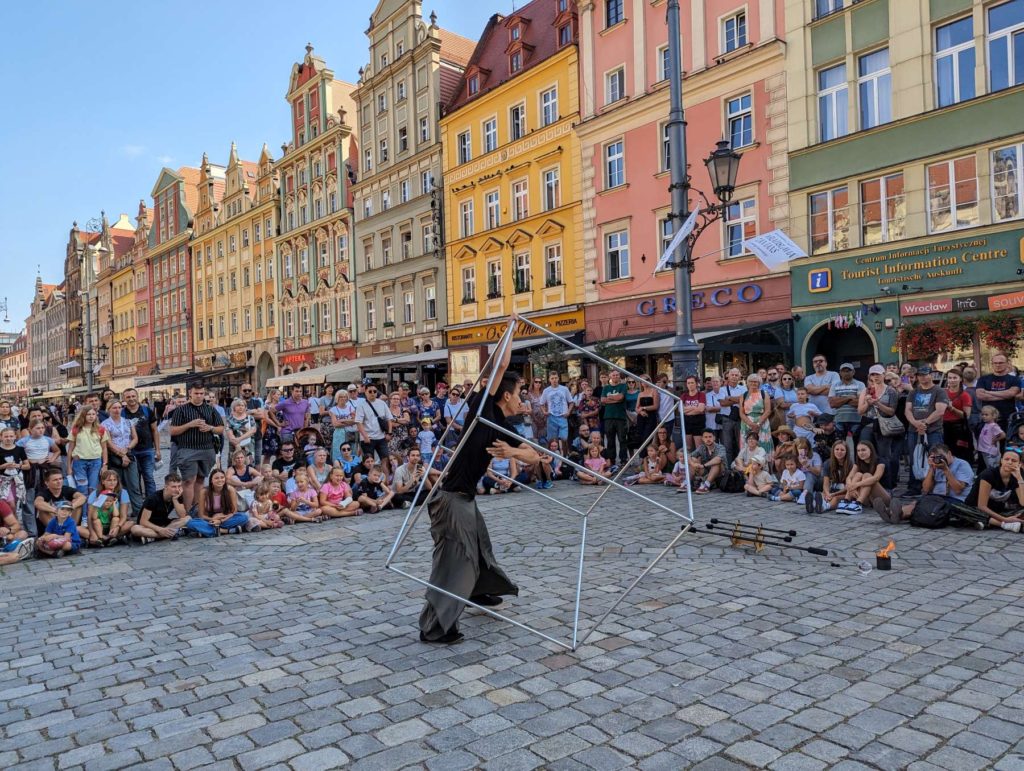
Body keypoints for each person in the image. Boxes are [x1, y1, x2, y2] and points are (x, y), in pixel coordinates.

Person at [418, 323, 540, 645]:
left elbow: (536, 458)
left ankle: (480, 590)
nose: (521, 398)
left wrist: (510, 450)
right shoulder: (482, 408)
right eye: (519, 393)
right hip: (450, 499)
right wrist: (512, 324)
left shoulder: (501, 424)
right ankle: (434, 628)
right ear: (506, 394)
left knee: (481, 548)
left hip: (466, 499)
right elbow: (500, 364)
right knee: (455, 562)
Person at [879, 443, 974, 524]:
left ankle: (894, 514)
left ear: (949, 453)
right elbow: (926, 489)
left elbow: (958, 490)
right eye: (935, 457)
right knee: (917, 502)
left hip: (956, 501)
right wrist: (931, 469)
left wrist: (946, 470)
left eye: (940, 456)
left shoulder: (962, 465)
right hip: (937, 498)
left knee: (921, 505)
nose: (938, 459)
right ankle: (893, 514)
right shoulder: (935, 466)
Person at [170, 383, 224, 513]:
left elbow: (221, 429)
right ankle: (187, 512)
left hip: (207, 449)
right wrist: (190, 424)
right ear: (190, 393)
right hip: (187, 449)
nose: (199, 396)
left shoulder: (210, 409)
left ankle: (197, 510)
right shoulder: (181, 410)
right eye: (196, 393)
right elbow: (172, 431)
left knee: (200, 480)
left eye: (201, 393)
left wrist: (210, 428)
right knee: (189, 480)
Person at [904, 366, 949, 495]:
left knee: (935, 457)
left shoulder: (939, 391)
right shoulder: (913, 392)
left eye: (925, 374)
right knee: (914, 458)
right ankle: (914, 487)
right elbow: (907, 410)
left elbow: (940, 410)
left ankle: (934, 486)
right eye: (920, 375)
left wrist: (925, 422)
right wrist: (915, 423)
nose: (923, 377)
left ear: (931, 375)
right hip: (914, 430)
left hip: (934, 430)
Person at [858, 364, 901, 488]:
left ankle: (888, 485)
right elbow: (860, 411)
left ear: (883, 375)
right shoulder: (866, 390)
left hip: (884, 425)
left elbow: (891, 411)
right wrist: (867, 402)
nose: (875, 377)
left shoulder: (891, 391)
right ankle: (866, 482)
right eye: (873, 374)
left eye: (877, 374)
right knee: (864, 452)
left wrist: (877, 403)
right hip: (868, 423)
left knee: (884, 455)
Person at [963, 450, 1024, 530]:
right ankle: (1003, 524)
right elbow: (982, 506)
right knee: (960, 510)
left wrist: (1019, 478)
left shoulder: (1018, 475)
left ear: (1019, 464)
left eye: (1014, 461)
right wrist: (1005, 520)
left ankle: (985, 522)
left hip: (998, 510)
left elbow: (1022, 503)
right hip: (977, 508)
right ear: (1001, 460)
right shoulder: (989, 474)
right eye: (1006, 459)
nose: (1009, 462)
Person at [101, 399, 142, 511]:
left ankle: (138, 511)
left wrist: (127, 450)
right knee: (116, 486)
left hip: (128, 454)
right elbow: (108, 443)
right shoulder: (105, 424)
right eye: (114, 408)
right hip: (114, 457)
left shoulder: (128, 422)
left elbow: (135, 438)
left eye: (119, 407)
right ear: (108, 409)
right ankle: (116, 512)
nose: (117, 410)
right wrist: (121, 454)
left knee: (134, 485)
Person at [122, 388, 160, 504]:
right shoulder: (122, 413)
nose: (131, 399)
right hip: (130, 451)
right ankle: (138, 506)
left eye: (133, 396)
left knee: (148, 477)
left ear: (137, 396)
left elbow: (155, 430)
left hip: (147, 449)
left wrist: (157, 450)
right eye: (128, 397)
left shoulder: (146, 410)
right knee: (134, 480)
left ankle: (152, 504)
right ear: (124, 399)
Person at [131, 473, 191, 543]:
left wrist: (175, 500)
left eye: (179, 486)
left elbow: (182, 515)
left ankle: (154, 537)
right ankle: (169, 533)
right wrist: (160, 530)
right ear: (165, 487)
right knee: (135, 529)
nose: (177, 489)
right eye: (174, 487)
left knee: (188, 518)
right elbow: (143, 522)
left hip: (164, 524)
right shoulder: (153, 498)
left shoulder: (177, 495)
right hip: (149, 526)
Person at [835, 441, 888, 514]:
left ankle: (858, 504)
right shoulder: (858, 463)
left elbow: (876, 478)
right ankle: (846, 500)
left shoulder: (880, 461)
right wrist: (851, 487)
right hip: (867, 498)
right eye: (858, 450)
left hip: (883, 498)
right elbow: (849, 477)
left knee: (867, 475)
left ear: (871, 450)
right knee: (858, 474)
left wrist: (857, 485)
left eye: (863, 450)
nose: (861, 453)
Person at [85, 469, 133, 546]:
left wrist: (117, 527)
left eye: (114, 480)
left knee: (130, 523)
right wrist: (92, 533)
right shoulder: (95, 494)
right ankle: (109, 538)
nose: (112, 482)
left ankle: (105, 538)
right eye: (109, 480)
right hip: (98, 525)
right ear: (103, 482)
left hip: (115, 524)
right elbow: (90, 517)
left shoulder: (122, 493)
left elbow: (123, 516)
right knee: (79, 529)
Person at [33, 468, 86, 535]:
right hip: (52, 527)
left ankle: (71, 530)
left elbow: (83, 497)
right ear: (47, 483)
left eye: (60, 479)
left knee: (77, 502)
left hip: (68, 522)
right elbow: (37, 503)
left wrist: (71, 507)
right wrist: (56, 510)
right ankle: (58, 531)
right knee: (43, 509)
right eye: (55, 480)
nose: (59, 482)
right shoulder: (43, 493)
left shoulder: (66, 489)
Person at [975, 353, 1021, 429]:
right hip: (988, 419)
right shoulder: (983, 379)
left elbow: (1011, 394)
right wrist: (1005, 395)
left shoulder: (1014, 379)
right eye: (995, 363)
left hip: (1008, 418)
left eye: (1001, 363)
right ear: (992, 364)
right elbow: (980, 395)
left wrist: (988, 392)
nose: (998, 365)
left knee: (1008, 440)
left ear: (1007, 364)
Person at [68, 407, 107, 497]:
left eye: (93, 414)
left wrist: (105, 464)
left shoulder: (100, 429)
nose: (91, 417)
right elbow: (70, 449)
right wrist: (69, 467)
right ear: (83, 416)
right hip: (79, 462)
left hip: (95, 462)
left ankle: (91, 510)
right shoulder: (76, 429)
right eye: (88, 414)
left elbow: (104, 448)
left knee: (93, 489)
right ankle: (84, 511)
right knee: (82, 489)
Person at [354, 384, 391, 469]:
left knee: (385, 460)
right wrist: (365, 436)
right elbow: (358, 422)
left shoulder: (382, 403)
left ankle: (385, 481)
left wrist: (389, 433)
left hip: (381, 437)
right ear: (365, 392)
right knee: (369, 462)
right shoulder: (361, 405)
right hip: (368, 438)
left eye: (374, 391)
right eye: (370, 391)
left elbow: (389, 419)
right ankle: (370, 479)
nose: (372, 393)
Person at [540, 371, 573, 457]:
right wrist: (544, 412)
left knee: (564, 438)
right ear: (549, 380)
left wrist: (568, 412)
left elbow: (571, 402)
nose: (554, 380)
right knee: (552, 440)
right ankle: (552, 457)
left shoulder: (564, 389)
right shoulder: (546, 390)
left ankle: (564, 457)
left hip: (563, 416)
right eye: (552, 378)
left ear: (558, 378)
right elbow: (541, 403)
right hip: (551, 417)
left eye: (556, 378)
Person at [828, 363, 866, 441]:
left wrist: (840, 400)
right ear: (840, 373)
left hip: (856, 420)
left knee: (856, 445)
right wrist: (849, 397)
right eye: (844, 371)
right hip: (839, 420)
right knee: (840, 445)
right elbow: (832, 404)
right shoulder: (834, 385)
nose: (846, 373)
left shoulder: (860, 384)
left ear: (853, 372)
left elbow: (860, 403)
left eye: (848, 371)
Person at [942, 369, 973, 462]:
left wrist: (952, 409)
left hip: (958, 428)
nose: (952, 380)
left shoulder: (965, 395)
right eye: (950, 378)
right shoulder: (943, 392)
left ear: (960, 379)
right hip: (943, 426)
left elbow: (966, 415)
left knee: (959, 454)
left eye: (955, 378)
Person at [740, 374, 774, 457]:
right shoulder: (743, 395)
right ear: (747, 383)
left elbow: (768, 411)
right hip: (747, 424)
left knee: (763, 445)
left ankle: (765, 467)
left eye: (755, 382)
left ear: (759, 383)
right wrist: (751, 424)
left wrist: (758, 424)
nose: (753, 383)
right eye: (751, 381)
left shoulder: (764, 394)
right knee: (748, 446)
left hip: (762, 423)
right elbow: (741, 413)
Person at [814, 441, 852, 513]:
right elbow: (826, 483)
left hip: (845, 492)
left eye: (842, 450)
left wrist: (834, 494)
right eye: (837, 449)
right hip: (832, 489)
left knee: (835, 498)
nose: (839, 452)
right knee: (822, 495)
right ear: (833, 450)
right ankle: (815, 505)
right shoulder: (828, 463)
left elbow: (848, 487)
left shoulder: (850, 465)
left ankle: (824, 507)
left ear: (846, 452)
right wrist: (827, 493)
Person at [718, 368, 746, 463]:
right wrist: (738, 399)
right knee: (727, 445)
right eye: (732, 375)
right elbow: (722, 403)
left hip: (740, 419)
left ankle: (740, 466)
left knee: (741, 445)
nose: (734, 377)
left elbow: (745, 401)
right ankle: (728, 468)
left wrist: (729, 398)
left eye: (736, 375)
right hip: (727, 419)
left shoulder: (744, 388)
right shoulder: (721, 389)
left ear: (739, 377)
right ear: (728, 377)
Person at [688, 429, 727, 494]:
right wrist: (693, 464)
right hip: (706, 473)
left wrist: (703, 465)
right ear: (702, 439)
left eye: (710, 437)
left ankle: (706, 485)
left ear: (714, 438)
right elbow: (689, 456)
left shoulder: (720, 447)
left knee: (716, 463)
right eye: (705, 437)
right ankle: (688, 483)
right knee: (693, 459)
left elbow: (718, 459)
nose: (708, 439)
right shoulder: (701, 447)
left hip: (720, 474)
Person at [225, 399, 258, 463]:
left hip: (248, 446)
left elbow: (253, 430)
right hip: (234, 446)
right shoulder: (230, 419)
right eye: (238, 405)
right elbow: (229, 433)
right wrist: (237, 445)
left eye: (242, 405)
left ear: (245, 407)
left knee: (249, 465)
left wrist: (239, 439)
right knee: (234, 465)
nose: (240, 407)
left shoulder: (250, 417)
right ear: (234, 407)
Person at [977, 405, 1006, 470]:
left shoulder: (994, 426)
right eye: (982, 414)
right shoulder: (986, 424)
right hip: (984, 450)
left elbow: (1003, 435)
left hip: (990, 451)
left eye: (986, 415)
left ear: (994, 416)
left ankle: (994, 479)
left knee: (992, 468)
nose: (984, 416)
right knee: (988, 467)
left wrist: (996, 439)